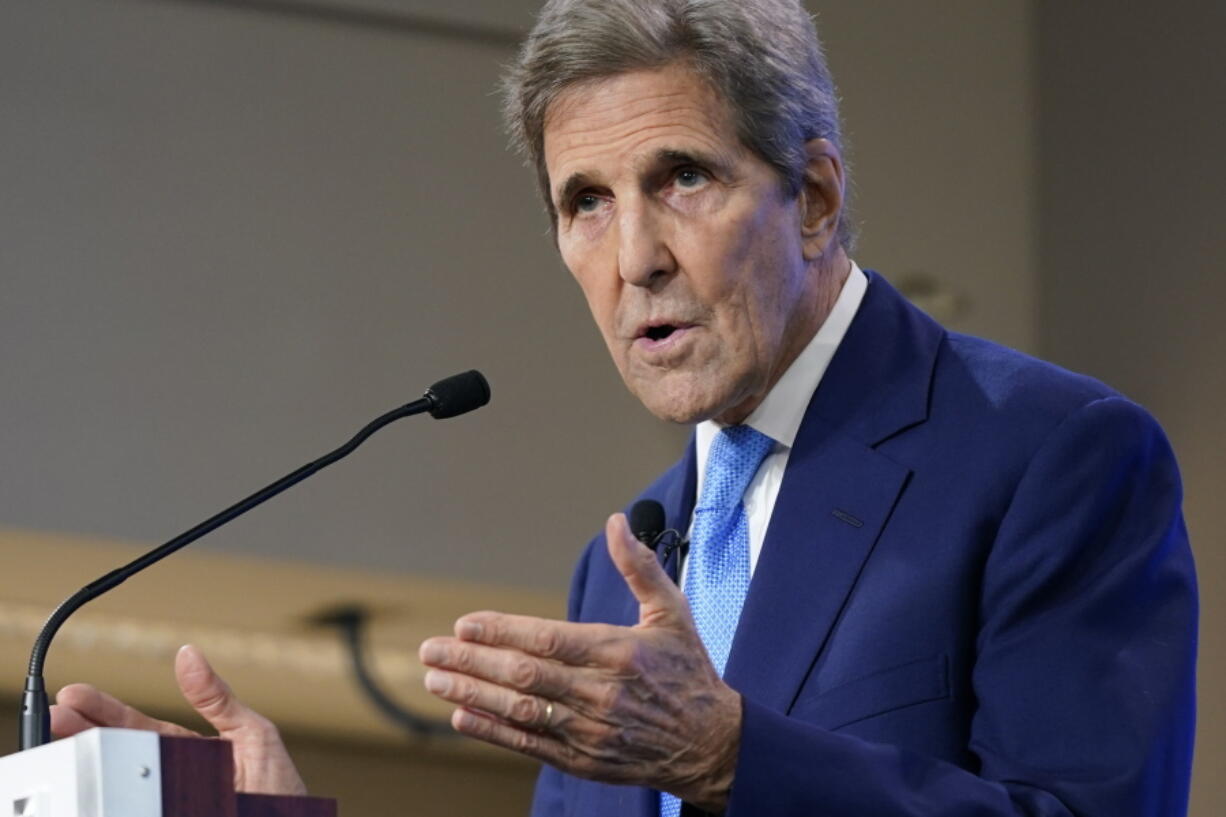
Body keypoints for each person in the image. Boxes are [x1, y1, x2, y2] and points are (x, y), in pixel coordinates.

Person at [53, 1, 1198, 815]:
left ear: (811, 196)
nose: (634, 257)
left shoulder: (1050, 457)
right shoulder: (622, 562)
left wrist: (730, 758)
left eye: (680, 178)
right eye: (585, 202)